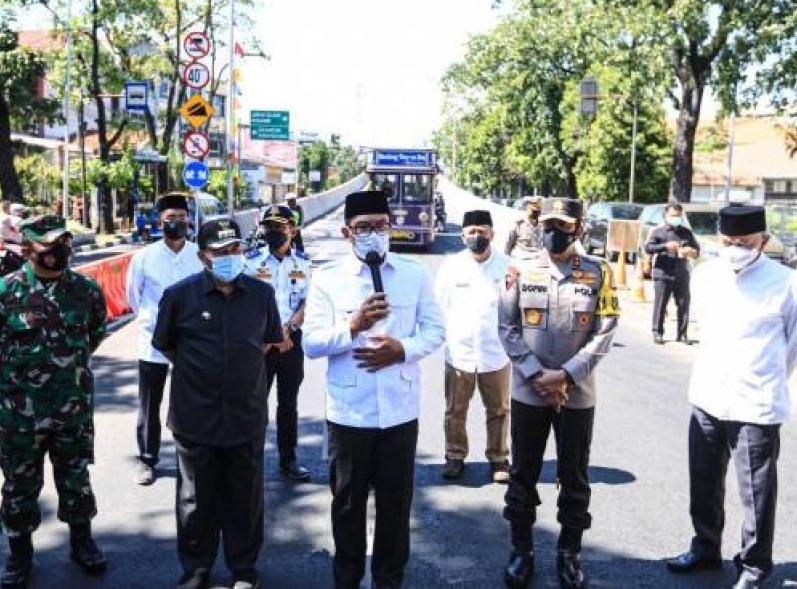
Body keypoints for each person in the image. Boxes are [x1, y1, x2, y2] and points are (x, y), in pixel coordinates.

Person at [303, 190, 445, 589]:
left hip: (400, 411)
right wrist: (353, 326)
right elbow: (312, 342)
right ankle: (346, 579)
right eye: (363, 228)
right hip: (349, 413)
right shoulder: (329, 279)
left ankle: (389, 580)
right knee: (347, 507)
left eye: (379, 226)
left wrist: (403, 350)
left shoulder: (414, 275)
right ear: (347, 233)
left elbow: (434, 331)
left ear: (391, 228)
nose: (372, 234)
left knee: (396, 508)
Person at [665, 205, 797, 589]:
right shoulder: (705, 276)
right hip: (707, 395)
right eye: (728, 241)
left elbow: (793, 347)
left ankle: (755, 565)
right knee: (703, 482)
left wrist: (764, 376)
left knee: (756, 492)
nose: (736, 248)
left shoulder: (787, 283)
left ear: (764, 241)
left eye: (745, 242)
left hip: (756, 404)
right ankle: (705, 547)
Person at [152, 219, 283, 589]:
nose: (230, 257)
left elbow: (270, 340)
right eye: (221, 252)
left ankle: (244, 568)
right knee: (195, 499)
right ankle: (196, 568)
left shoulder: (261, 294)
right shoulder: (179, 296)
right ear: (203, 257)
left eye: (236, 250)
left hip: (246, 413)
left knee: (245, 495)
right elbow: (166, 344)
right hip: (195, 415)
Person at [497, 197, 620, 589]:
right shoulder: (518, 268)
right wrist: (536, 375)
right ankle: (522, 551)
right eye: (548, 224)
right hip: (529, 391)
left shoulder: (599, 272)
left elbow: (606, 328)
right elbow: (506, 327)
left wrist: (566, 375)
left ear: (579, 229)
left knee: (575, 477)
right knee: (522, 475)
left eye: (563, 226)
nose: (554, 232)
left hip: (576, 393)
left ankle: (569, 553)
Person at [0, 215, 108, 588]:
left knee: (76, 480)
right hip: (18, 416)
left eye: (64, 241)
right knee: (18, 486)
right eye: (49, 244)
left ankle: (82, 543)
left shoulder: (86, 290)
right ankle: (19, 555)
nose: (59, 250)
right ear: (29, 247)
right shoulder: (6, 292)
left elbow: (94, 333)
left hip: (72, 410)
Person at [125, 193, 204, 486]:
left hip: (191, 343)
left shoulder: (199, 255)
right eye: (171, 219)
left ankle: (192, 457)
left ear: (189, 220)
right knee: (149, 403)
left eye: (182, 218)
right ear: (160, 221)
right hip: (153, 342)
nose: (176, 223)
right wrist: (150, 320)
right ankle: (147, 459)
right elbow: (133, 297)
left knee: (191, 401)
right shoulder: (144, 257)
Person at [434, 209, 511, 483]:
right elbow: (438, 307)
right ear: (462, 235)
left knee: (499, 410)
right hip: (459, 352)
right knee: (455, 409)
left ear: (492, 233)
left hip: (496, 352)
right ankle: (455, 456)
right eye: (471, 232)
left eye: (482, 231)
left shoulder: (508, 266)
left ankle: (499, 458)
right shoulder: (451, 267)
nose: (477, 236)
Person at [244, 204, 312, 482]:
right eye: (269, 227)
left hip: (291, 343)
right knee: (255, 405)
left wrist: (288, 329)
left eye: (280, 227)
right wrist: (271, 336)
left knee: (288, 404)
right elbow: (245, 304)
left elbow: (310, 302)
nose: (274, 232)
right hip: (261, 344)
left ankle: (289, 460)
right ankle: (250, 461)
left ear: (292, 231)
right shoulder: (250, 262)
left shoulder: (304, 264)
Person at [644, 202, 699, 344]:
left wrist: (690, 252)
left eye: (679, 216)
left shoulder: (686, 232)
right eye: (673, 216)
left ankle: (682, 334)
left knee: (684, 304)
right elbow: (648, 247)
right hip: (663, 272)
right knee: (661, 304)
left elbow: (696, 250)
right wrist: (665, 246)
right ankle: (657, 332)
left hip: (682, 272)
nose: (677, 218)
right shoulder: (658, 231)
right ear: (666, 216)